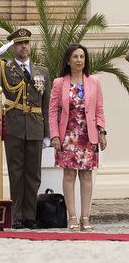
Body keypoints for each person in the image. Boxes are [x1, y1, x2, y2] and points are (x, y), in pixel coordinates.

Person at [0, 28, 51, 229]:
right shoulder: (4, 69)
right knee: (16, 173)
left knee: (33, 175)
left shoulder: (42, 71)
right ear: (13, 47)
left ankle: (30, 216)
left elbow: (46, 104)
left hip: (35, 126)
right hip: (14, 125)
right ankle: (17, 216)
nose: (23, 46)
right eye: (18, 44)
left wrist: (47, 134)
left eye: (26, 43)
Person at [49, 44, 107, 231]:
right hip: (67, 135)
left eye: (82, 57)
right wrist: (55, 135)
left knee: (87, 176)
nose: (79, 60)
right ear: (68, 60)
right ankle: (72, 216)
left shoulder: (94, 82)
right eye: (75, 57)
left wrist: (102, 131)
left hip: (87, 135)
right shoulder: (59, 83)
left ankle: (85, 217)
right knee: (68, 174)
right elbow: (52, 112)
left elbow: (99, 110)